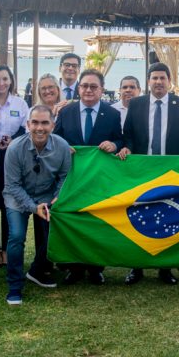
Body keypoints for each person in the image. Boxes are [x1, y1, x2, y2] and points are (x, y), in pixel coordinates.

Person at [119, 62, 179, 285]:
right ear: (148, 81)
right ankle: (136, 268)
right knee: (138, 218)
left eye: (162, 78)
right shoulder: (136, 104)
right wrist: (126, 147)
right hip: (141, 172)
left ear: (169, 81)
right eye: (154, 78)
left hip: (170, 173)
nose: (158, 82)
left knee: (167, 219)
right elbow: (128, 135)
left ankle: (165, 269)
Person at [54, 68, 124, 285]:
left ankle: (96, 268)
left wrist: (115, 145)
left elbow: (121, 140)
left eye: (94, 86)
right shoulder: (66, 112)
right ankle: (73, 268)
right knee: (74, 219)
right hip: (72, 178)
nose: (88, 90)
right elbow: (54, 139)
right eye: (84, 86)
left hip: (98, 180)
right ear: (79, 88)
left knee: (96, 221)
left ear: (102, 90)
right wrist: (63, 146)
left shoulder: (112, 114)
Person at [2, 105, 72, 305]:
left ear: (53, 125)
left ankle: (37, 270)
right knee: (16, 236)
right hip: (17, 197)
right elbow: (12, 185)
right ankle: (15, 286)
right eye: (35, 123)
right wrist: (33, 208)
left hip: (47, 196)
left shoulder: (62, 147)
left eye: (44, 123)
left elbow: (64, 177)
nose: (39, 128)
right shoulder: (15, 148)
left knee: (54, 233)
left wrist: (57, 197)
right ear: (28, 124)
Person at [0, 65, 29, 269]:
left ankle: (7, 250)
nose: (1, 83)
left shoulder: (20, 103)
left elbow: (27, 128)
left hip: (12, 159)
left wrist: (13, 139)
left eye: (5, 79)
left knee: (8, 204)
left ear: (11, 80)